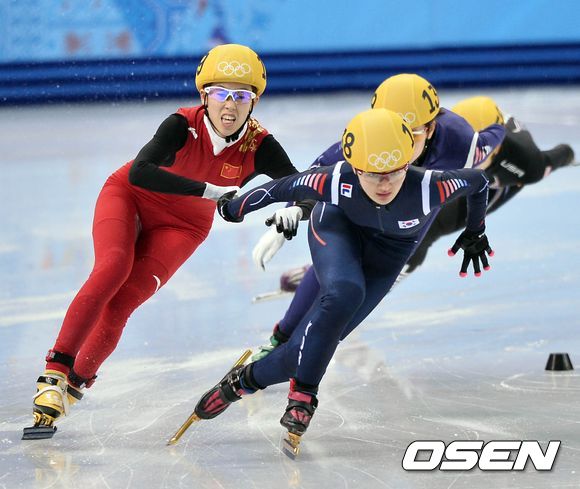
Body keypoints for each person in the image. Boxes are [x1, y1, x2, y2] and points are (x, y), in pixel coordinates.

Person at [23, 43, 302, 440]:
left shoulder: (260, 144)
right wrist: (210, 191)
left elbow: (303, 185)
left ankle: (75, 383)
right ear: (204, 95)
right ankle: (55, 371)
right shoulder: (181, 125)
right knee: (113, 267)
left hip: (184, 226)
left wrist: (297, 209)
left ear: (254, 101)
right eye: (221, 93)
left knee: (123, 302)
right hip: (130, 197)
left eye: (242, 96)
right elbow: (140, 171)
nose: (230, 105)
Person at [191, 108, 493, 452]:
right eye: (373, 175)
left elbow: (479, 182)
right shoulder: (336, 179)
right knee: (346, 291)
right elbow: (279, 188)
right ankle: (305, 395)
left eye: (394, 172)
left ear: (407, 163)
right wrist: (233, 208)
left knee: (311, 346)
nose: (384, 184)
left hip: (388, 255)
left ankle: (242, 382)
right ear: (356, 168)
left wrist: (476, 231)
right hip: (338, 230)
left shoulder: (429, 187)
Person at [250, 74, 505, 361]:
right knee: (333, 268)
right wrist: (294, 210)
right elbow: (315, 175)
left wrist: (505, 125)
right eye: (391, 127)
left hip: (406, 223)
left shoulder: (463, 145)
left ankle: (304, 345)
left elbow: (493, 137)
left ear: (431, 128)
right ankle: (281, 338)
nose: (400, 140)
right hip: (357, 204)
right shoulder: (372, 135)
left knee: (355, 297)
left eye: (411, 132)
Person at [403, 95, 575, 273]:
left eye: (474, 150)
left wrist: (568, 155)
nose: (466, 154)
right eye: (462, 145)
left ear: (496, 146)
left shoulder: (527, 163)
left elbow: (556, 157)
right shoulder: (440, 141)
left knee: (428, 227)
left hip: (495, 178)